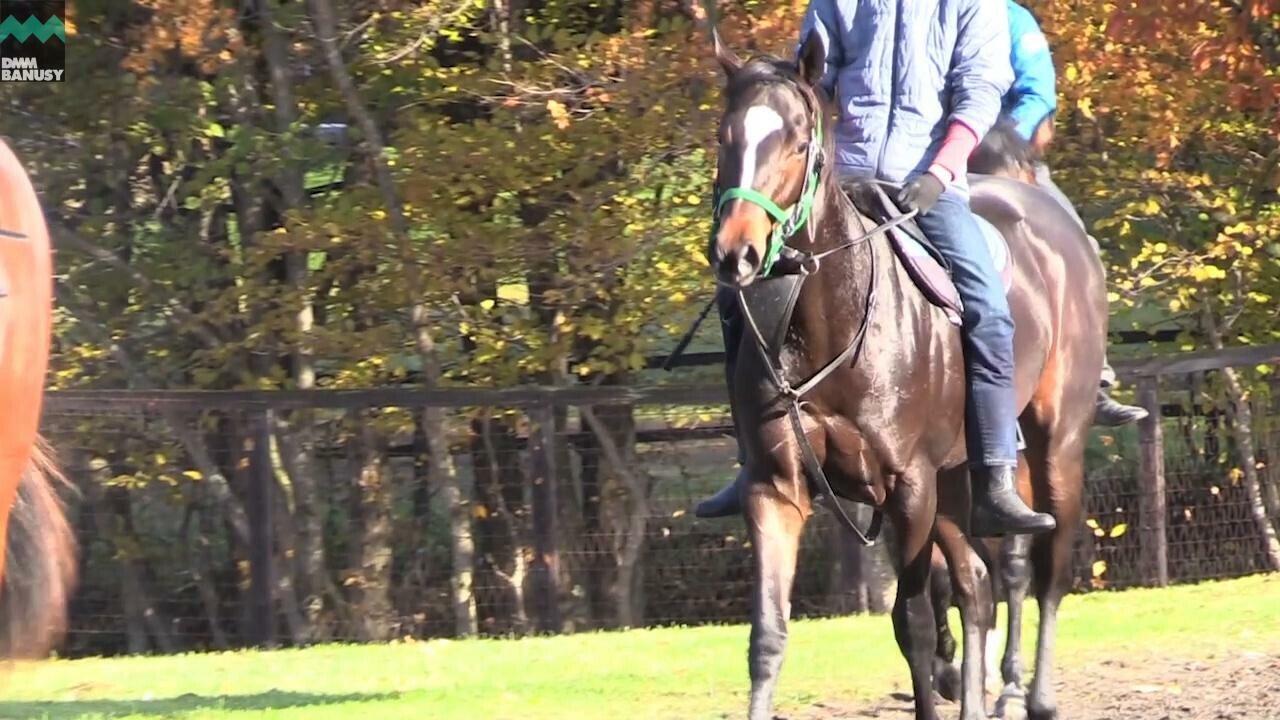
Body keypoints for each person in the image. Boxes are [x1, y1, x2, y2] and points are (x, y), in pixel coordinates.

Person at [696, 0, 1055, 538]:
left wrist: (939, 172)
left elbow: (978, 94)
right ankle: (754, 457)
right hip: (842, 184)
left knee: (987, 309)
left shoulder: (972, 7)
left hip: (931, 186)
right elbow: (811, 80)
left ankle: (997, 475)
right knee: (735, 294)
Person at [1002, 0, 1148, 426]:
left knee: (1079, 242)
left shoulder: (1012, 20)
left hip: (1008, 158)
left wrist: (999, 139)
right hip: (938, 159)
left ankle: (1093, 378)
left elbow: (1038, 93)